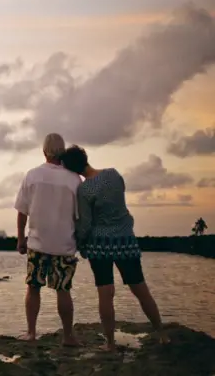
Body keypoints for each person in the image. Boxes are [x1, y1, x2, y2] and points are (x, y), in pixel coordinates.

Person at [60, 145, 170, 351]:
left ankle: (110, 343)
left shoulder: (85, 190)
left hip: (99, 245)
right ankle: (162, 334)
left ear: (72, 170)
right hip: (125, 241)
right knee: (141, 290)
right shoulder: (114, 174)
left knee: (105, 293)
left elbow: (85, 225)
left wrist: (80, 244)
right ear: (85, 158)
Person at [14, 133, 82, 345]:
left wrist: (20, 239)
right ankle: (68, 336)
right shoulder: (73, 179)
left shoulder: (32, 175)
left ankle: (31, 332)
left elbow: (22, 211)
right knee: (63, 290)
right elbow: (79, 216)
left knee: (33, 287)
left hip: (38, 242)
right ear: (62, 152)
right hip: (64, 244)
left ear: (44, 151)